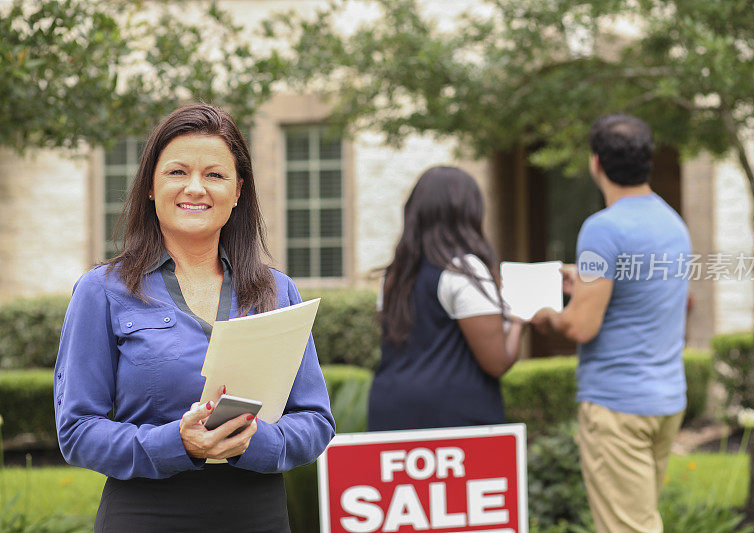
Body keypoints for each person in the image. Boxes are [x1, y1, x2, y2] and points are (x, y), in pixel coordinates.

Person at [53, 104, 335, 532]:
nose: (196, 188)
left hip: (256, 515)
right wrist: (175, 442)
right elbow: (76, 431)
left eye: (215, 175)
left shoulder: (278, 291)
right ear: (151, 185)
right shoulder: (102, 291)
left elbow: (315, 420)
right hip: (145, 513)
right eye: (177, 172)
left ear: (239, 191)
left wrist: (258, 441)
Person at [533, 113, 691, 533]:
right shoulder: (673, 223)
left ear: (596, 163)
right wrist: (584, 282)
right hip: (666, 401)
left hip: (618, 406)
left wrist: (547, 315)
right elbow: (642, 291)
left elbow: (581, 327)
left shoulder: (603, 229)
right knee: (641, 519)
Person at [368, 166, 525, 431]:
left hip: (390, 413)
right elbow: (497, 362)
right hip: (453, 420)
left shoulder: (395, 276)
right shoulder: (465, 270)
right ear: (468, 212)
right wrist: (519, 321)